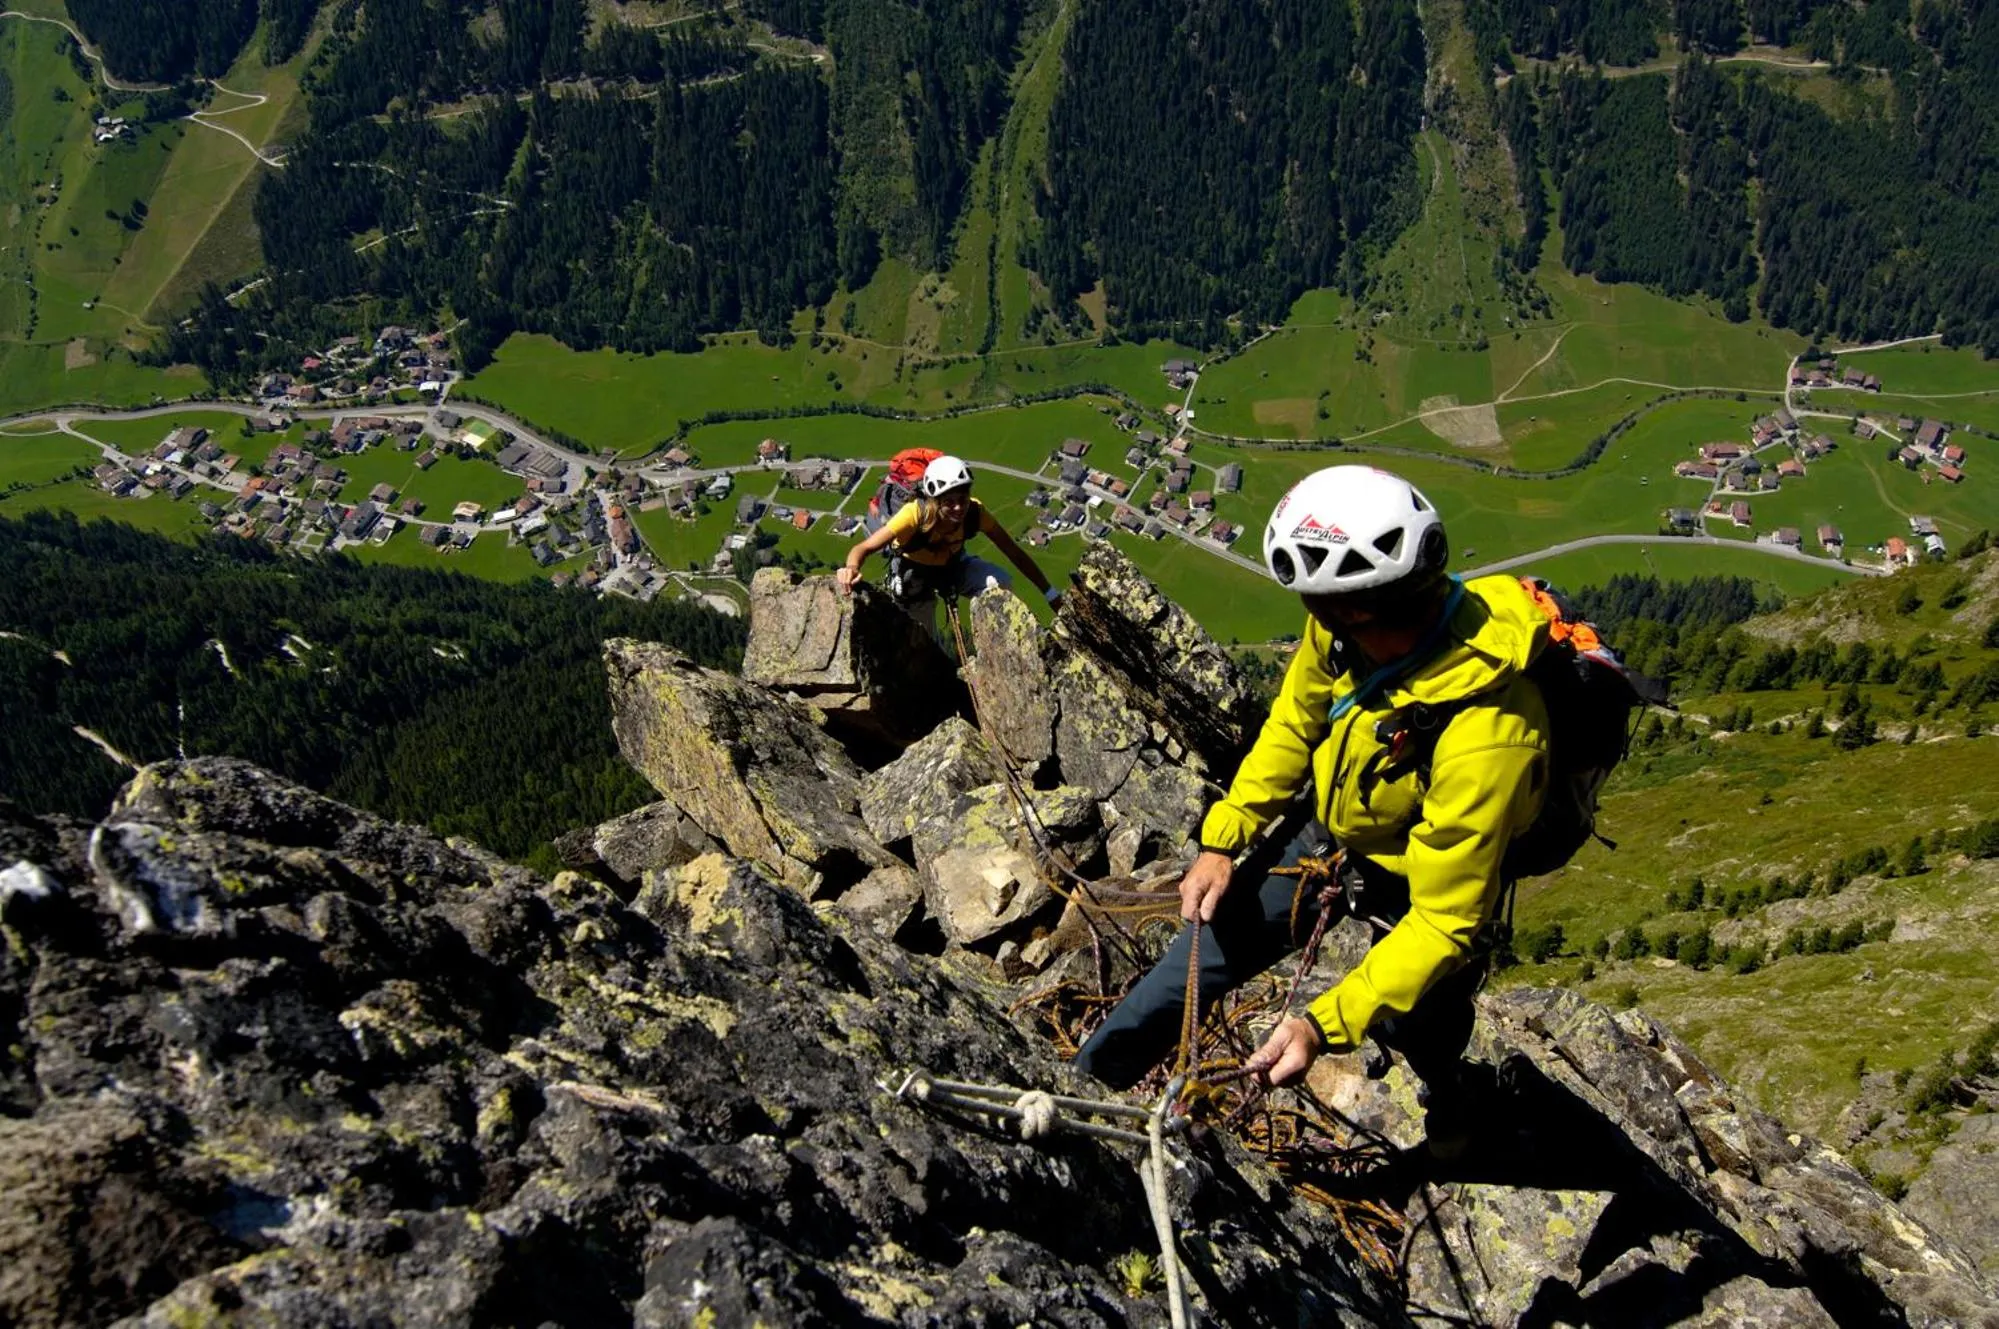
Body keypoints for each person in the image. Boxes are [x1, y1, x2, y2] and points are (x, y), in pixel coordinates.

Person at [1072, 464, 1552, 1159]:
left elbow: (1446, 919)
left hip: (1416, 875)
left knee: (1417, 1017)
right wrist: (1224, 837)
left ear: (1364, 605)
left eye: (1323, 608)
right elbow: (1293, 725)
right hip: (1329, 828)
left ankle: (1455, 1099)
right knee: (1197, 958)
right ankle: (1082, 1082)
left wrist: (1322, 1025)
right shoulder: (1344, 630)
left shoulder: (1489, 733)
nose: (1315, 621)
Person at [835, 455, 1060, 632]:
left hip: (953, 566)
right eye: (948, 502)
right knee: (924, 642)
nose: (958, 508)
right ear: (935, 500)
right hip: (914, 577)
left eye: (962, 499)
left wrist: (1049, 593)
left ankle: (992, 646)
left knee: (1000, 584)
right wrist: (851, 569)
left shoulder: (975, 512)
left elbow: (1013, 552)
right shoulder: (914, 514)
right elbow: (864, 548)